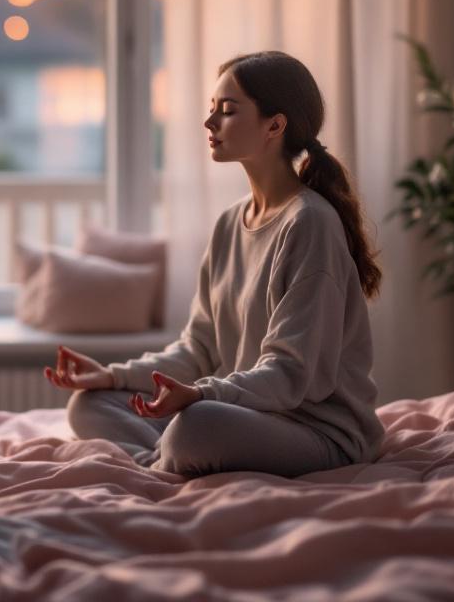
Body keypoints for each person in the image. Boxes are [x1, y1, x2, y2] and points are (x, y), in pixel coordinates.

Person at [45, 51, 385, 478]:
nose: (210, 124)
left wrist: (201, 395)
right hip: (254, 418)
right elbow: (199, 348)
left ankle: (163, 460)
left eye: (227, 111)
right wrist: (111, 377)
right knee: (91, 404)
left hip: (319, 432)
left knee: (198, 425)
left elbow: (290, 375)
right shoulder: (230, 223)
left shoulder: (310, 224)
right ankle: (165, 458)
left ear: (274, 126)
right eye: (211, 110)